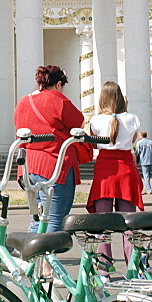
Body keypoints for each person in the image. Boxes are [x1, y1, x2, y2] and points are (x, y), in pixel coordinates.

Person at [13, 64, 90, 233]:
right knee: (55, 218)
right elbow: (78, 122)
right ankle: (48, 258)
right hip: (55, 166)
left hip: (28, 166)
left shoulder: (24, 101)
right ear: (58, 84)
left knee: (36, 218)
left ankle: (34, 257)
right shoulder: (58, 100)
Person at [86, 81, 144, 268]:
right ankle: (133, 268)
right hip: (126, 169)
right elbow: (132, 139)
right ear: (120, 98)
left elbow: (92, 143)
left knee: (102, 225)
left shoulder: (95, 120)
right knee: (129, 224)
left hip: (104, 170)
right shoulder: (132, 118)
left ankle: (104, 272)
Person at [135, 130, 152, 195]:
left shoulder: (139, 143)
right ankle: (146, 188)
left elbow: (137, 153)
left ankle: (148, 189)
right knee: (148, 175)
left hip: (143, 161)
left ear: (141, 136)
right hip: (151, 160)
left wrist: (136, 162)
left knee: (146, 175)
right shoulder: (151, 143)